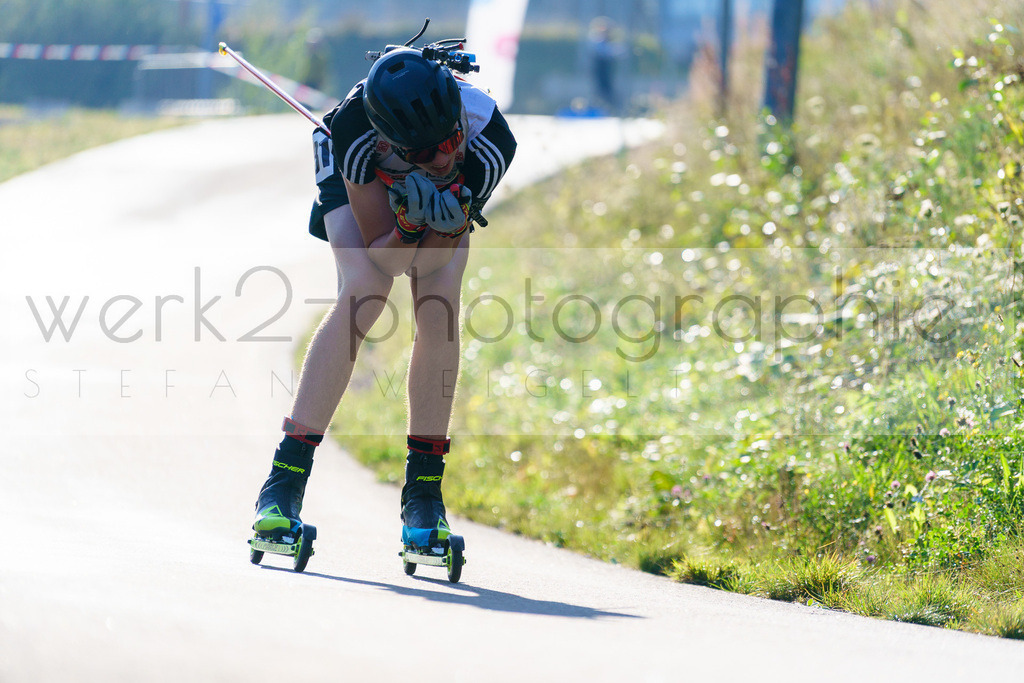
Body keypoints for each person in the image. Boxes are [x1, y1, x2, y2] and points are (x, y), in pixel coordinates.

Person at [251, 47, 517, 555]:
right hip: (364, 173)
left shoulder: (490, 138)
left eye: (449, 140)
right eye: (424, 154)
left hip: (426, 196)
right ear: (392, 140)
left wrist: (450, 217)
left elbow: (428, 266)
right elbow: (389, 262)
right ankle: (282, 485)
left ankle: (423, 496)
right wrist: (410, 225)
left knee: (439, 310)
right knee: (363, 295)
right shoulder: (355, 135)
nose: (443, 158)